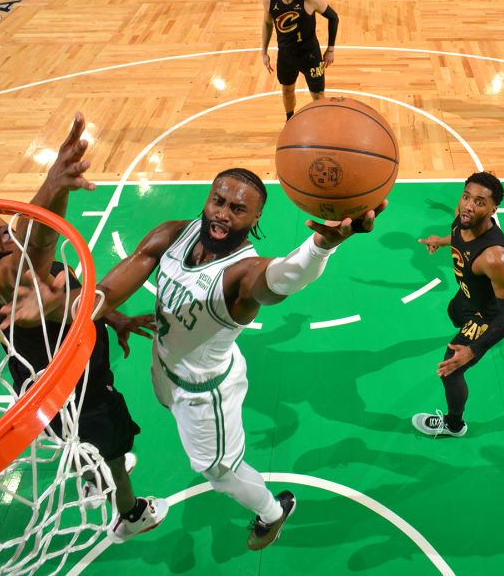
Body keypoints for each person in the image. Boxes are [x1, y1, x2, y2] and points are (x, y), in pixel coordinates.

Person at [86, 168, 383, 550]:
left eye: (238, 209)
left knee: (220, 473)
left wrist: (320, 247)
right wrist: (88, 311)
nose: (223, 214)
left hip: (204, 393)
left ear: (255, 218)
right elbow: (107, 291)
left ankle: (273, 514)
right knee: (171, 412)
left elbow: (280, 280)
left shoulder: (241, 273)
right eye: (218, 201)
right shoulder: (174, 233)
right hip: (164, 366)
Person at [0, 114, 168, 541]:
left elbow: (74, 295)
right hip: (80, 387)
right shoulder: (1, 278)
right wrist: (52, 186)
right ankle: (131, 515)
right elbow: (31, 252)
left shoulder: (8, 264)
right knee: (113, 449)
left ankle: (90, 473)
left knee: (76, 438)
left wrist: (115, 317)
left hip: (41, 384)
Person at [413, 172, 504, 437]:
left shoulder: (496, 258)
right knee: (453, 311)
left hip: (489, 314)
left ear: (493, 209)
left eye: (480, 202)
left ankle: (454, 424)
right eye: (466, 197)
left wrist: (473, 349)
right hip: (468, 298)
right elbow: (457, 236)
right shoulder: (462, 218)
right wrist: (439, 241)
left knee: (451, 369)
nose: (469, 206)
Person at [260, 0, 339, 120]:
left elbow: (334, 17)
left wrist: (330, 49)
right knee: (287, 90)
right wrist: (264, 52)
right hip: (286, 55)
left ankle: (321, 126)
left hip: (310, 55)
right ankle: (290, 120)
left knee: (318, 95)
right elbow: (267, 23)